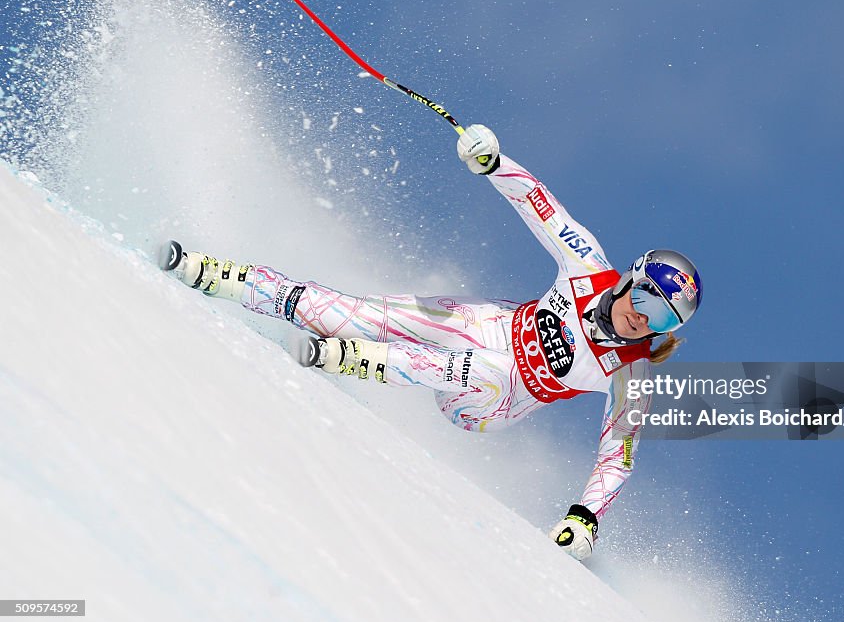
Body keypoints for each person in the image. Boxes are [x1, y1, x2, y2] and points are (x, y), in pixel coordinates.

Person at [159, 125, 702, 561]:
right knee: (355, 312)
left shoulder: (629, 373)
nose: (643, 319)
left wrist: (584, 517)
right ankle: (223, 277)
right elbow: (541, 206)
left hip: (493, 400)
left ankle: (359, 361)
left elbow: (619, 454)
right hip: (486, 326)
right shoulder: (587, 267)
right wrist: (494, 161)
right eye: (648, 298)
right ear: (631, 279)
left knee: (482, 368)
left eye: (663, 320)